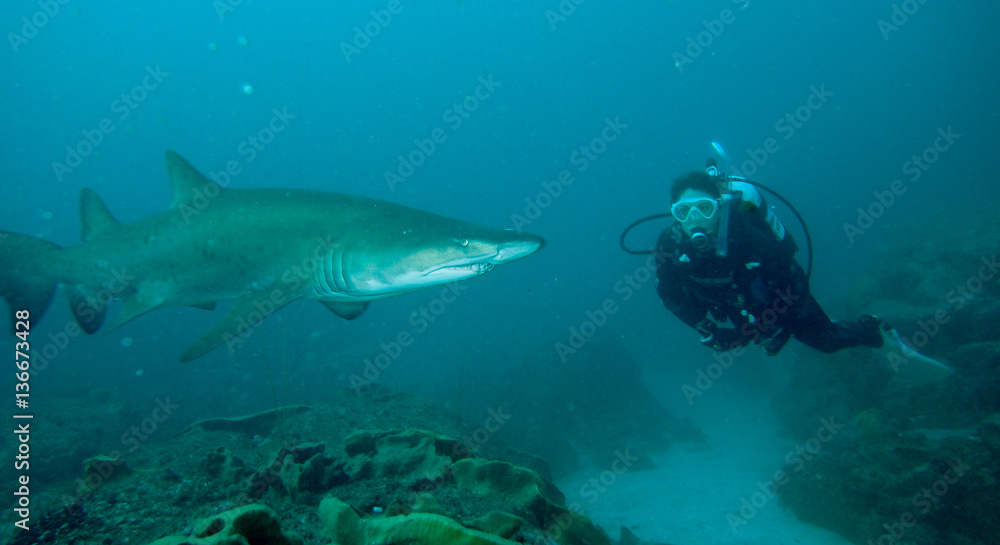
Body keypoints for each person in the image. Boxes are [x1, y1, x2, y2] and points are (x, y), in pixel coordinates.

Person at [653, 169, 952, 382]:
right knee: (735, 333)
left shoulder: (749, 237)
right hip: (729, 302)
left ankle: (878, 333)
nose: (694, 220)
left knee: (827, 341)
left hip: (772, 298)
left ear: (719, 208)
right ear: (674, 213)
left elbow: (794, 284)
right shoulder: (669, 244)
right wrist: (706, 329)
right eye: (684, 211)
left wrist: (767, 326)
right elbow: (668, 294)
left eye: (703, 208)